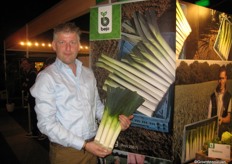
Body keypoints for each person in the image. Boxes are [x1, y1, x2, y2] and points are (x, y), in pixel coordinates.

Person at [30, 22, 133, 164]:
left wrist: (116, 123)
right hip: (67, 153)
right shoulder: (47, 78)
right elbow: (46, 124)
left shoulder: (88, 73)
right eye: (62, 42)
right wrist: (84, 145)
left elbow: (96, 107)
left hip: (94, 146)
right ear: (54, 45)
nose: (67, 48)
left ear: (79, 45)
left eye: (72, 42)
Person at [208, 65, 231, 139]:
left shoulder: (229, 97)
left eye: (223, 78)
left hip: (224, 133)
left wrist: (222, 119)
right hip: (213, 133)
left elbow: (229, 118)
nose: (221, 81)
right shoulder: (212, 97)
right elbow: (209, 118)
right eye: (219, 79)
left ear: (226, 79)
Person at [20, 58, 41, 138]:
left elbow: (29, 86)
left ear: (29, 64)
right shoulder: (26, 73)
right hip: (31, 97)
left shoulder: (32, 73)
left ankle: (37, 132)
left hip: (35, 98)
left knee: (35, 115)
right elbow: (24, 85)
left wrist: (25, 85)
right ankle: (35, 131)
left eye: (26, 64)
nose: (24, 65)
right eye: (23, 64)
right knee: (33, 115)